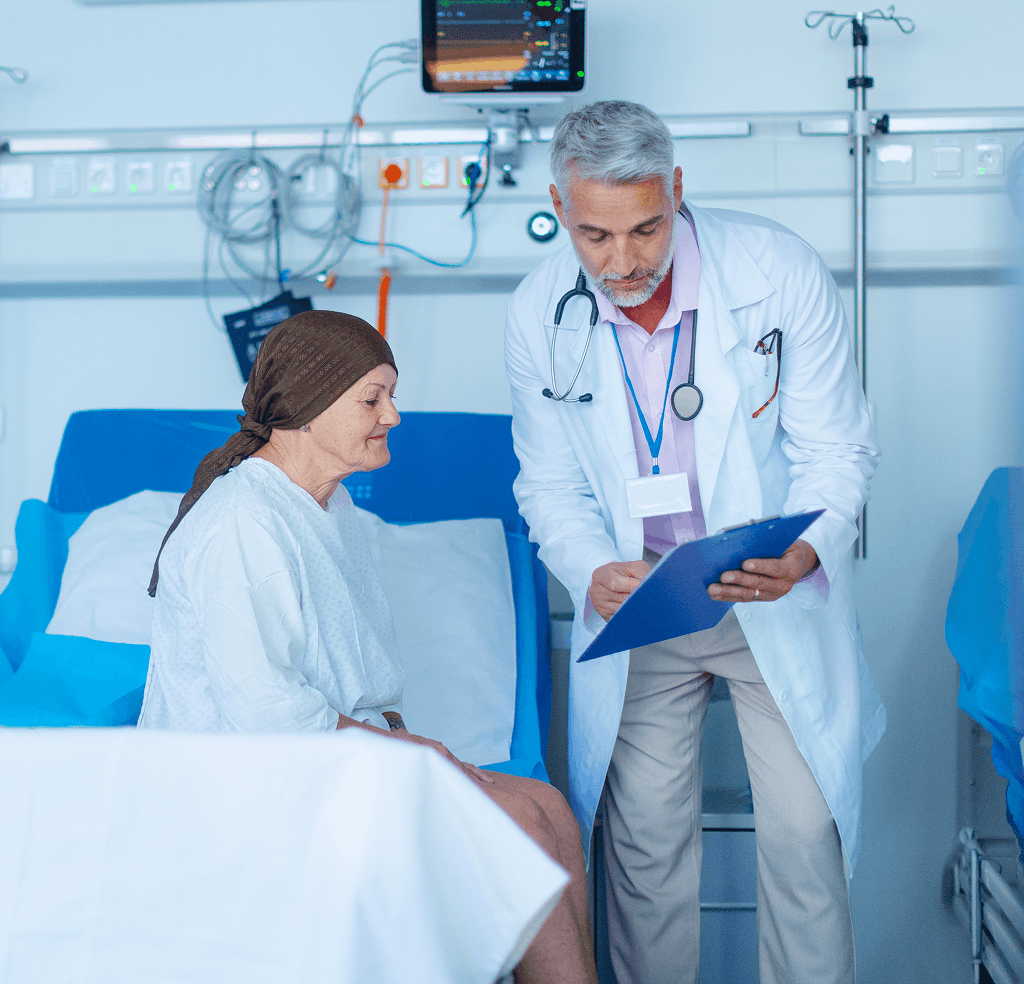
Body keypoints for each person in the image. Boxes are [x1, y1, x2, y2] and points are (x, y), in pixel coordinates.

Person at [504, 101, 884, 984]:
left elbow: (837, 450)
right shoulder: (537, 311)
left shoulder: (776, 271)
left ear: (676, 190)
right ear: (560, 208)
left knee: (804, 832)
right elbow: (548, 486)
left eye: (646, 228)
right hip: (644, 602)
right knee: (644, 844)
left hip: (766, 587)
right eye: (595, 235)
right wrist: (591, 568)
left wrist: (806, 551)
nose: (623, 262)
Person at [139, 309, 597, 984]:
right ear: (309, 406)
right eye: (372, 399)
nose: (394, 416)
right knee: (517, 828)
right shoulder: (243, 523)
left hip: (336, 761)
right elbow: (263, 713)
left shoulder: (331, 508)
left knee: (550, 808)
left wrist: (401, 740)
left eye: (392, 396)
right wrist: (409, 753)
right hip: (253, 786)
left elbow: (356, 667)